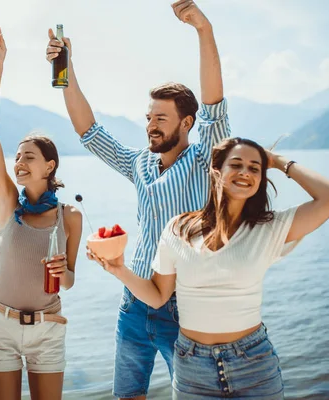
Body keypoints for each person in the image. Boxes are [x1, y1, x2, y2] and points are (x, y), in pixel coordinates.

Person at [46, 1, 229, 398]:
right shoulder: (139, 164)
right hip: (133, 304)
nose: (150, 126)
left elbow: (214, 110)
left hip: (184, 308)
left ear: (186, 123)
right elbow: (89, 131)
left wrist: (203, 29)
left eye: (160, 119)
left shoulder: (204, 159)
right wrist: (66, 68)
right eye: (148, 118)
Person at [90, 137, 329, 398]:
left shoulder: (269, 228)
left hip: (253, 365)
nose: (245, 172)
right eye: (236, 164)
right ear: (216, 171)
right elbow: (157, 296)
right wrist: (118, 269)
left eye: (255, 168)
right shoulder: (178, 229)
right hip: (192, 369)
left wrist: (278, 162)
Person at [0, 26, 83, 400]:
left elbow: (69, 281)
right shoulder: (9, 202)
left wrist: (63, 271)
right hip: (0, 326)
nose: (19, 162)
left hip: (48, 328)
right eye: (18, 156)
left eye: (29, 157)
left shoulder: (69, 216)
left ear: (50, 166)